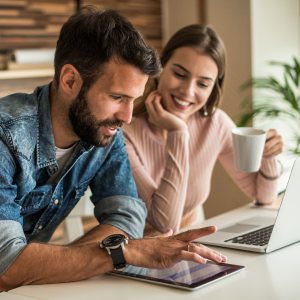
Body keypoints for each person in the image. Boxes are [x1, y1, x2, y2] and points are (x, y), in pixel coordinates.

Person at [0, 7, 228, 292]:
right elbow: (5, 265)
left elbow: (127, 218)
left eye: (133, 99)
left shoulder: (103, 131)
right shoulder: (5, 136)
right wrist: (121, 252)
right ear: (70, 80)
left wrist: (56, 265)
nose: (128, 116)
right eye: (117, 97)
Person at [122, 24, 284, 236]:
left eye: (203, 84)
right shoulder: (125, 133)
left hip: (194, 246)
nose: (187, 91)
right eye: (180, 74)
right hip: (138, 254)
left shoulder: (214, 124)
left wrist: (269, 155)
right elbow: (165, 225)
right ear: (160, 68)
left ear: (213, 89)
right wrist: (178, 132)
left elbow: (264, 196)